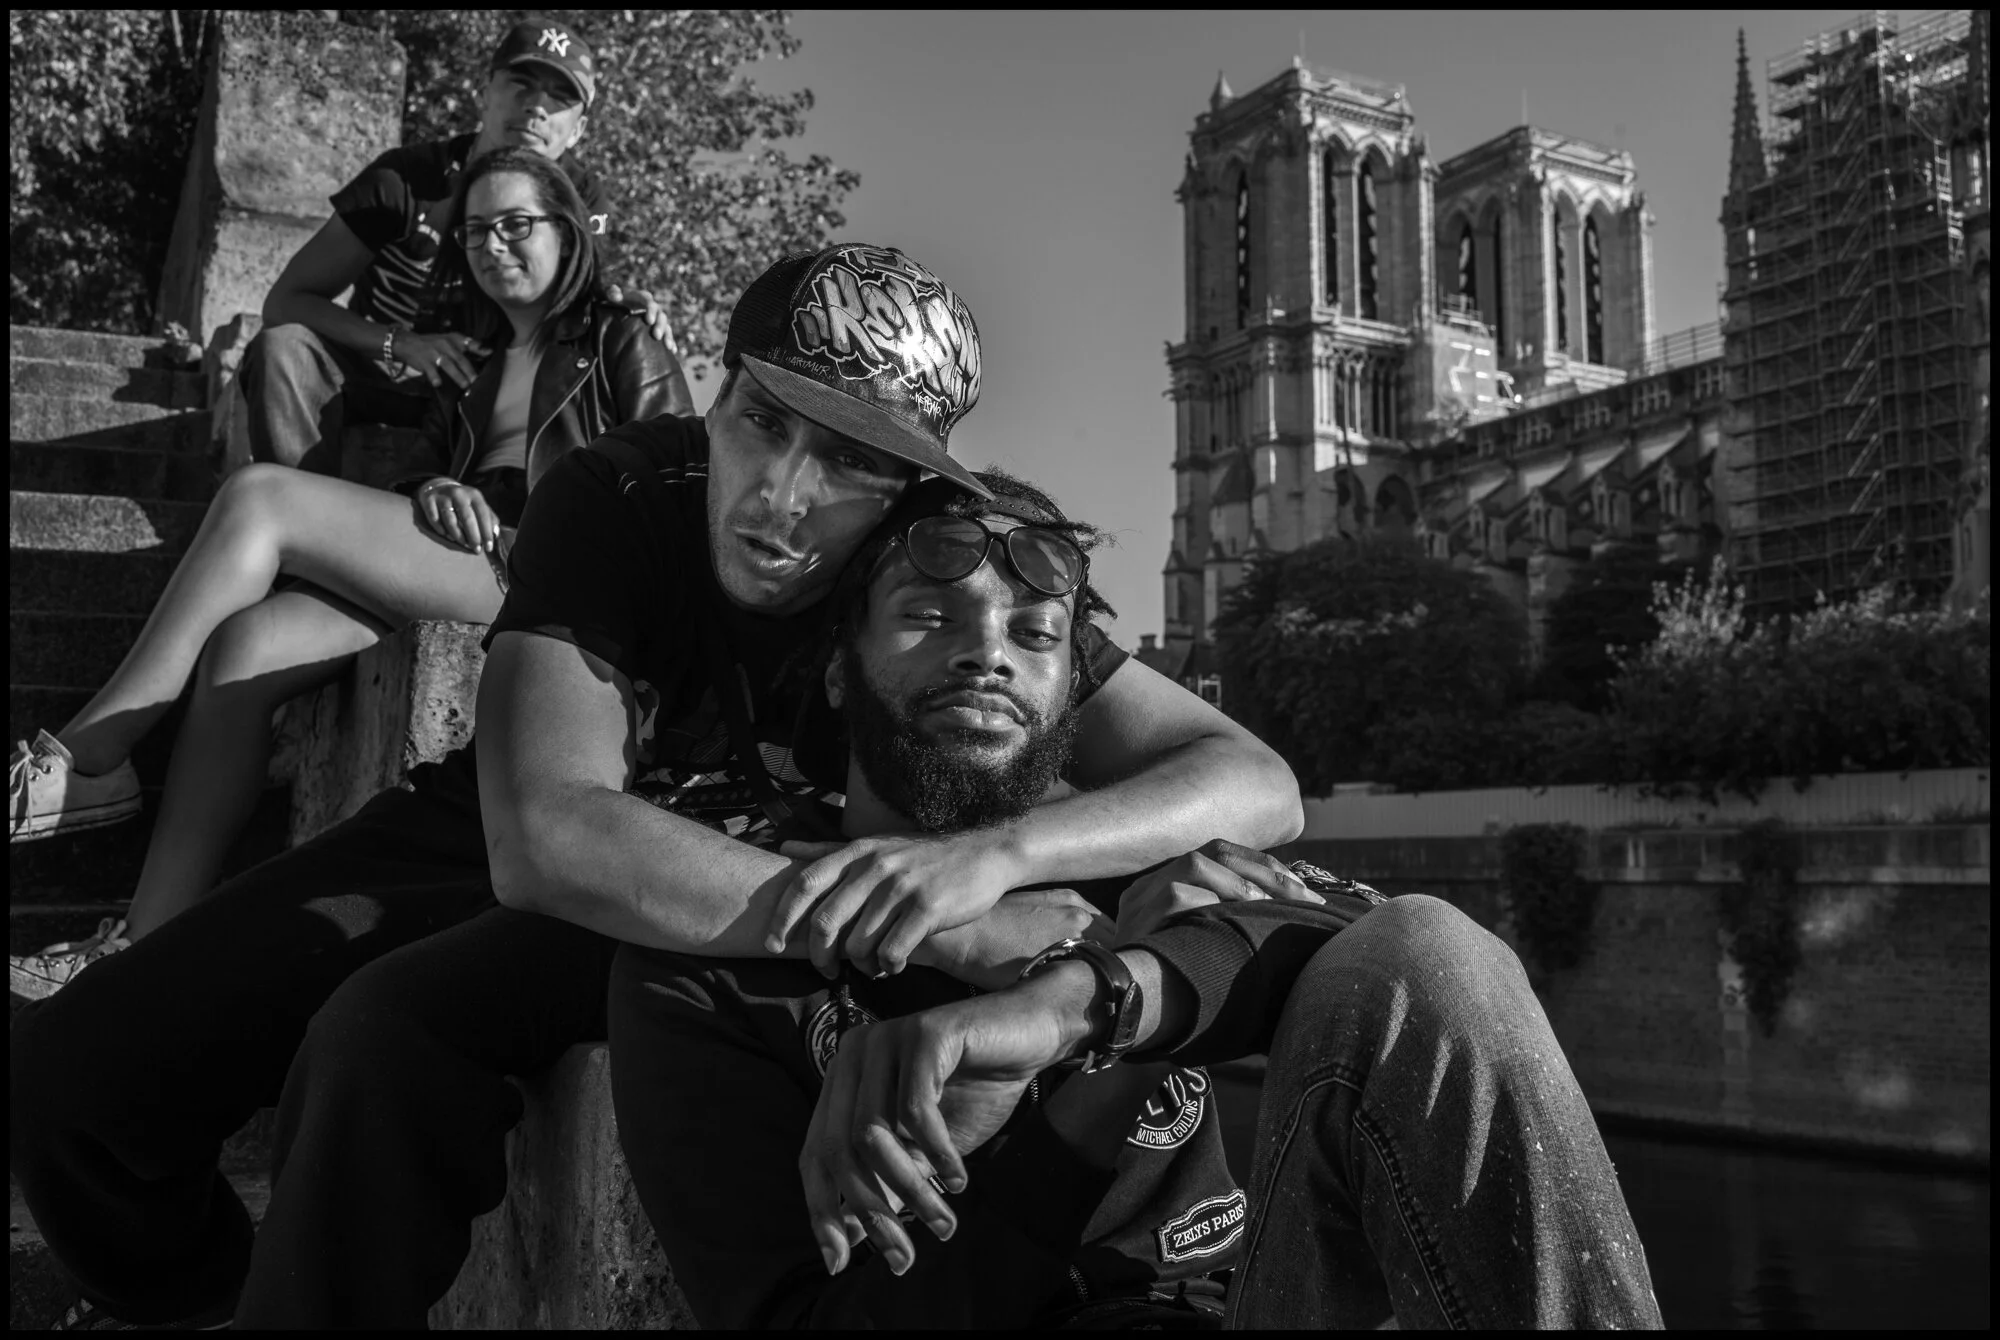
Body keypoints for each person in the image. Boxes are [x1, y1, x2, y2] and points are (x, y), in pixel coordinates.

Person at [10, 243, 1304, 1330]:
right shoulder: (628, 491)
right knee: (76, 1083)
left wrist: (994, 861)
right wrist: (947, 921)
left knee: (384, 1034)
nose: (784, 497)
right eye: (764, 423)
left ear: (915, 478)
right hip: (521, 831)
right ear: (719, 395)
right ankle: (189, 1301)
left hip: (749, 916)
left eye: (847, 459)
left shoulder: (945, 561)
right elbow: (549, 836)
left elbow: (1250, 780)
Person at [606, 473, 1666, 1329]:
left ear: (1074, 690)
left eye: (1034, 635)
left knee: (1431, 950)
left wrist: (1077, 1004)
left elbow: (1359, 927)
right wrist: (1082, 1105)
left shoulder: (1112, 861)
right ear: (838, 669)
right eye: (930, 615)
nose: (987, 652)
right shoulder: (711, 955)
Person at [7, 144, 691, 1001]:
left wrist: (539, 530)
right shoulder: (471, 370)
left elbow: (673, 492)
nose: (493, 245)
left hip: (552, 576)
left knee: (261, 498)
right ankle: (142, 950)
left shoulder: (623, 335)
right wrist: (437, 486)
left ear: (569, 232)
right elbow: (438, 475)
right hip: (468, 562)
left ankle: (92, 755)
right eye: (477, 230)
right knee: (245, 649)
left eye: (518, 225)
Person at [242, 18, 675, 475]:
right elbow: (286, 301)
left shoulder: (582, 199)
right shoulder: (405, 179)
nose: (537, 107)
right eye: (521, 83)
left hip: (488, 386)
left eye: (561, 97)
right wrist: (401, 344)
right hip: (384, 370)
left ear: (579, 129)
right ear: (484, 93)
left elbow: (578, 310)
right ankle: (296, 519)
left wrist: (629, 309)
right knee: (283, 349)